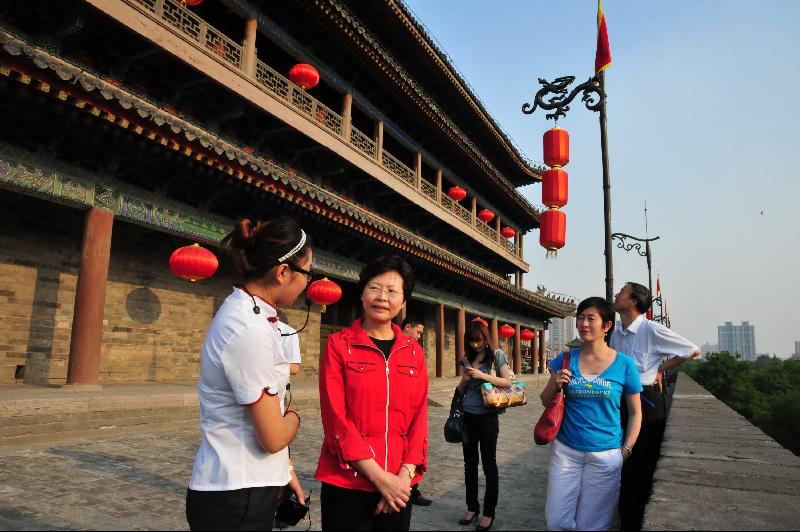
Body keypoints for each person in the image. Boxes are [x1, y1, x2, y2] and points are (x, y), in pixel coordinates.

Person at [186, 217, 312, 531]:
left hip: (249, 485)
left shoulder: (253, 316)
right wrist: (295, 415)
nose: (308, 283)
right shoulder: (248, 328)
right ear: (283, 272)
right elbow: (273, 436)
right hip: (235, 494)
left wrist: (284, 470)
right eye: (307, 273)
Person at [316, 255, 429, 531]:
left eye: (392, 291)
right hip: (348, 482)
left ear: (403, 301)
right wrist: (380, 479)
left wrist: (402, 478)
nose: (382, 297)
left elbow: (419, 420)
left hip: (400, 485)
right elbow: (335, 419)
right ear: (362, 293)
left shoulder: (414, 353)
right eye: (374, 288)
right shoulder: (339, 345)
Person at [542, 296, 643, 531]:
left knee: (593, 525)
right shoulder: (565, 360)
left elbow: (636, 413)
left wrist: (626, 450)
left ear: (607, 325)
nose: (584, 324)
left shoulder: (625, 364)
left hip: (605, 455)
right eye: (580, 318)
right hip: (566, 452)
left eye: (591, 318)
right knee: (556, 520)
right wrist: (555, 384)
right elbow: (546, 401)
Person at [611, 282, 700, 530]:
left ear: (633, 301)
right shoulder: (617, 332)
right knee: (621, 461)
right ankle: (625, 516)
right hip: (621, 400)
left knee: (641, 462)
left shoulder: (650, 329)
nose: (616, 294)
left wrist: (660, 368)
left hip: (646, 400)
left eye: (622, 292)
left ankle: (634, 521)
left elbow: (693, 350)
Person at [457, 320, 513, 531]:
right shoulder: (466, 359)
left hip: (488, 417)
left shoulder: (497, 355)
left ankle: (489, 512)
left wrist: (482, 375)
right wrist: (464, 380)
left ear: (486, 338)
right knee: (469, 464)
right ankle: (472, 507)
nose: (476, 345)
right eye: (472, 342)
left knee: (489, 464)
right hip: (468, 416)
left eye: (479, 341)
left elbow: (507, 382)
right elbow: (461, 391)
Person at [400, 316, 433, 508]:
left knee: (413, 448)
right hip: (397, 408)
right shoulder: (395, 346)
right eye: (418, 332)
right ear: (407, 326)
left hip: (411, 407)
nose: (419, 336)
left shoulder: (415, 350)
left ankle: (413, 489)